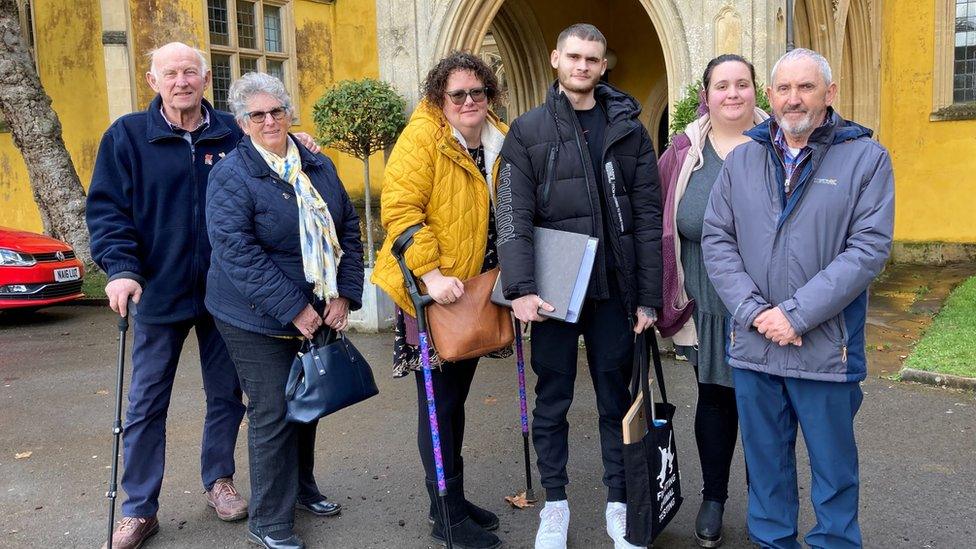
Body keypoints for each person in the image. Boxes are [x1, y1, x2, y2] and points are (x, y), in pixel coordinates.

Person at [87, 42, 323, 549]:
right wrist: (122, 269)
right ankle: (138, 507)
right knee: (147, 402)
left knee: (226, 396)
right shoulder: (127, 136)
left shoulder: (233, 131)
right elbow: (106, 212)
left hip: (226, 296)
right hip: (157, 291)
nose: (181, 82)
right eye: (170, 73)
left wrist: (298, 141)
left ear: (204, 79)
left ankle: (218, 480)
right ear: (154, 81)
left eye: (190, 72)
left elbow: (273, 147)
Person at [702, 48, 894, 549]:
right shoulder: (742, 160)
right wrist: (753, 311)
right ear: (771, 96)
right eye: (784, 88)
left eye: (806, 87)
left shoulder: (866, 159)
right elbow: (717, 240)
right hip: (755, 347)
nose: (793, 99)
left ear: (829, 94)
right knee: (766, 472)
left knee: (834, 476)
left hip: (825, 349)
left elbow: (868, 250)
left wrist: (795, 315)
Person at [495, 24, 662, 549]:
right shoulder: (528, 130)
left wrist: (649, 297)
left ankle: (618, 503)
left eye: (592, 59)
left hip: (614, 290)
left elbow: (649, 216)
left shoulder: (629, 129)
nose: (582, 66)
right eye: (573, 57)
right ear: (554, 59)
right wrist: (520, 289)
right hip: (552, 292)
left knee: (616, 400)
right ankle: (556, 506)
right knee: (553, 402)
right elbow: (513, 216)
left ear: (603, 64)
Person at [205, 71, 364, 549]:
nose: (270, 120)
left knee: (308, 401)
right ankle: (269, 521)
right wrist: (295, 307)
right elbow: (236, 252)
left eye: (278, 111)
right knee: (274, 409)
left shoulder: (317, 164)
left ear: (290, 113)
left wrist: (343, 295)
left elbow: (348, 230)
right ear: (242, 122)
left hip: (316, 305)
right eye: (258, 114)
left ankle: (302, 489)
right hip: (251, 313)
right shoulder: (231, 174)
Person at [371, 52, 508, 549]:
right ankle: (444, 515)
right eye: (458, 95)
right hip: (432, 295)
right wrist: (430, 275)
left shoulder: (497, 135)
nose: (470, 101)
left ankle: (452, 499)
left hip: (474, 290)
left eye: (478, 92)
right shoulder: (422, 137)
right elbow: (401, 209)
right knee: (440, 403)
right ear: (439, 98)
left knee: (455, 402)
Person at [655, 54, 769, 548]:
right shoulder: (684, 152)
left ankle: (769, 504)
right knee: (715, 401)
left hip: (766, 305)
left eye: (742, 84)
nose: (732, 94)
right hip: (705, 305)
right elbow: (657, 224)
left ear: (755, 91)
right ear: (707, 93)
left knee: (768, 407)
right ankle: (715, 497)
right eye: (722, 85)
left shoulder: (781, 144)